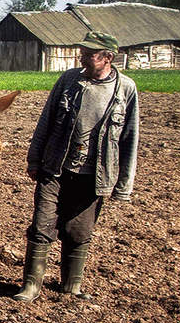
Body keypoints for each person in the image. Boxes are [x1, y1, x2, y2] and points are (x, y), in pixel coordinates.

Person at [14, 30, 138, 303]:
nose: (83, 57)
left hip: (94, 175)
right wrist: (34, 160)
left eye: (90, 54)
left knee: (79, 231)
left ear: (108, 57)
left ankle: (71, 286)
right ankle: (31, 286)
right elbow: (45, 122)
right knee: (42, 225)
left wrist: (123, 185)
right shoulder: (69, 80)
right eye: (82, 52)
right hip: (55, 168)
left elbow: (130, 138)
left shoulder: (125, 89)